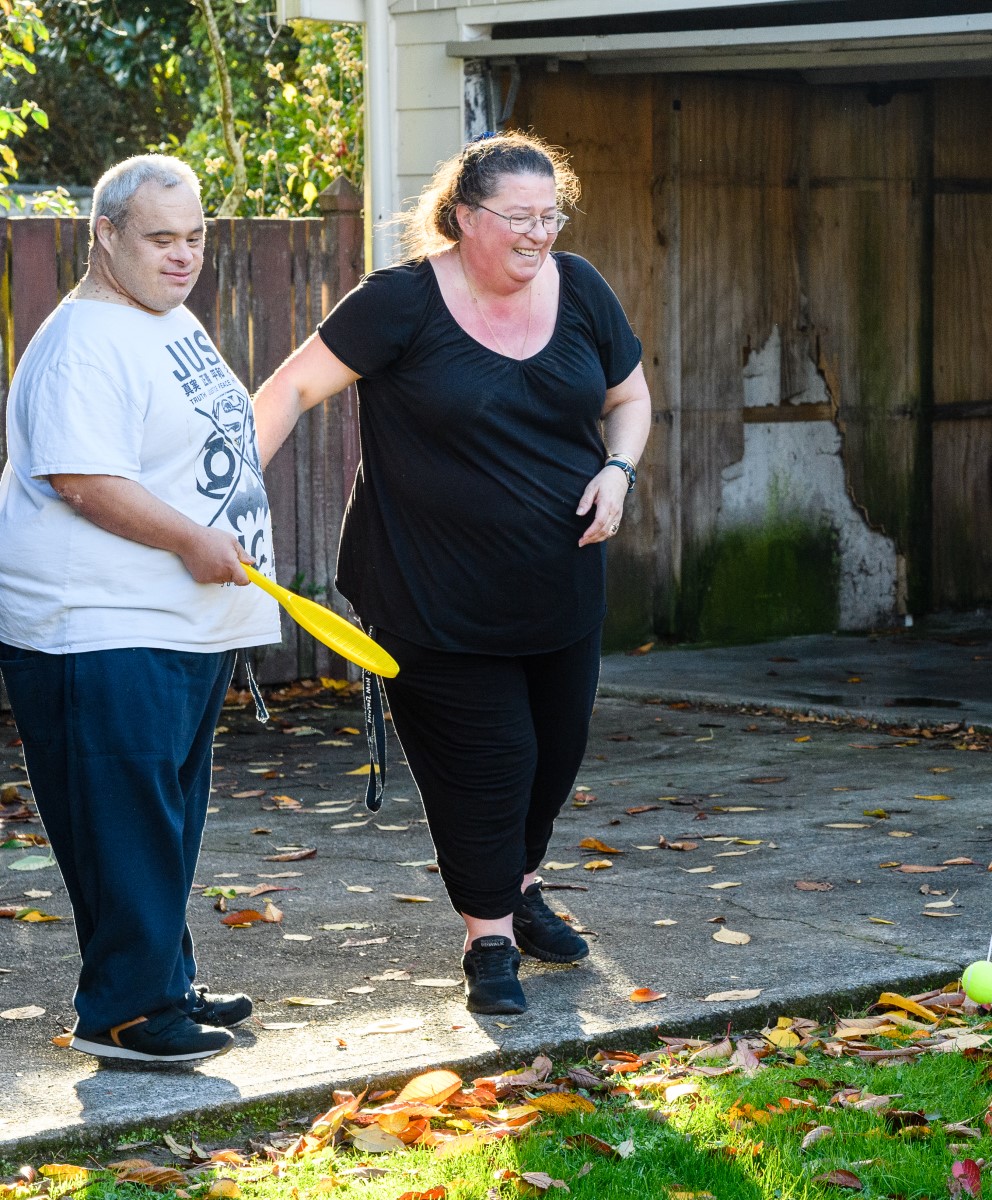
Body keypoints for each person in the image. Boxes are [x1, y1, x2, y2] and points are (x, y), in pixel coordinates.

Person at [253, 132, 652, 1015]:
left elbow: (629, 398)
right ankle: (489, 941)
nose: (538, 234)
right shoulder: (399, 303)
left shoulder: (581, 288)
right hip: (430, 593)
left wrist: (617, 472)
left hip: (561, 587)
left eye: (551, 215)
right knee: (490, 763)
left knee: (552, 760)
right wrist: (230, 507)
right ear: (463, 217)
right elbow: (286, 391)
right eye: (518, 217)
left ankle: (522, 887)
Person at [0, 155, 279, 1063]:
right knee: (122, 818)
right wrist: (192, 541)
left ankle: (161, 977)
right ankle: (124, 1014)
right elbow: (82, 477)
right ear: (105, 235)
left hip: (174, 624)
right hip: (99, 627)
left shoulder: (160, 317)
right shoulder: (83, 341)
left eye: (195, 236)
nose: (184, 254)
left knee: (164, 817)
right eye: (161, 238)